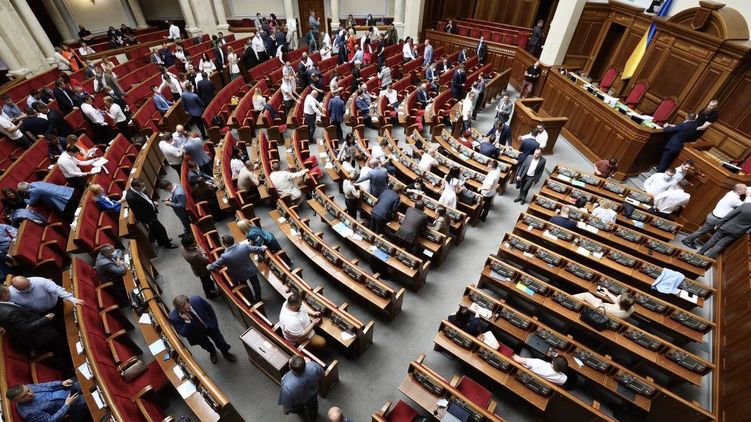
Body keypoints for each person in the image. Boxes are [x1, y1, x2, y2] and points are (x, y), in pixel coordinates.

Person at [0, 285, 69, 363]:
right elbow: (26, 328)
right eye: (8, 293)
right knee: (64, 347)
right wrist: (46, 319)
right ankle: (73, 363)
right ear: (3, 296)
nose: (10, 294)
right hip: (40, 335)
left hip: (35, 327)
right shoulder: (10, 312)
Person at [169, 295, 237, 363]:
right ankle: (212, 352)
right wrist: (187, 321)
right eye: (184, 309)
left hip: (209, 326)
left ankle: (225, 353)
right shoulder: (174, 318)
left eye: (188, 307)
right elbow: (183, 333)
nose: (187, 310)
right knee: (206, 346)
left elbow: (209, 309)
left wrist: (214, 324)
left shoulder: (197, 300)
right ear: (178, 309)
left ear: (188, 302)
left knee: (220, 341)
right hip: (197, 335)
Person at [682, 183, 750, 249]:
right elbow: (746, 206)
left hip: (713, 216)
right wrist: (748, 196)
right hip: (715, 219)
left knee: (702, 230)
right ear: (739, 191)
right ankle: (687, 241)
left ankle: (688, 239)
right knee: (702, 231)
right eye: (745, 189)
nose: (746, 190)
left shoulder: (731, 193)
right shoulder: (734, 199)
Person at [206, 235, 266, 302]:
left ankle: (251, 299)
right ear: (233, 240)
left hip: (239, 274)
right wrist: (263, 248)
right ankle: (258, 298)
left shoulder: (224, 256)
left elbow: (214, 265)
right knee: (256, 284)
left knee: (245, 286)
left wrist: (208, 266)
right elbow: (258, 249)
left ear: (224, 244)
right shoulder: (244, 246)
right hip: (251, 270)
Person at [126, 178, 178, 249]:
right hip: (149, 218)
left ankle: (161, 241)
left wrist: (152, 203)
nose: (144, 187)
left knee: (155, 230)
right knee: (161, 230)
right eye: (142, 186)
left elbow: (146, 198)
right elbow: (137, 212)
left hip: (151, 213)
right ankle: (167, 244)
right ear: (136, 187)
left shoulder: (138, 190)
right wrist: (148, 221)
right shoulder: (131, 197)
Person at [6, 379, 89, 422]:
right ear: (16, 400)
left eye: (28, 390)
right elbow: (50, 420)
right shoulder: (29, 414)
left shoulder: (26, 388)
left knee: (86, 381)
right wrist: (67, 405)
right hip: (67, 405)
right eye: (24, 396)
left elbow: (45, 385)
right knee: (90, 398)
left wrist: (61, 383)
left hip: (64, 389)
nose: (30, 394)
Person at [278, 355, 324, 421]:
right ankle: (313, 418)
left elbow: (287, 400)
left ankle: (301, 411)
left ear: (290, 367)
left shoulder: (286, 383)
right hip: (313, 395)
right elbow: (322, 374)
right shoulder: (314, 366)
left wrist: (286, 410)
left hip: (299, 401)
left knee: (298, 408)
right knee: (313, 408)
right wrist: (310, 363)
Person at [9, 275, 83, 315]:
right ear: (16, 288)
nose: (27, 289)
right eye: (23, 289)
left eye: (28, 285)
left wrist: (72, 299)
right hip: (39, 313)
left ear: (28, 280)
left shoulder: (40, 281)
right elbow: (11, 305)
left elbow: (57, 290)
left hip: (55, 305)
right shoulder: (11, 293)